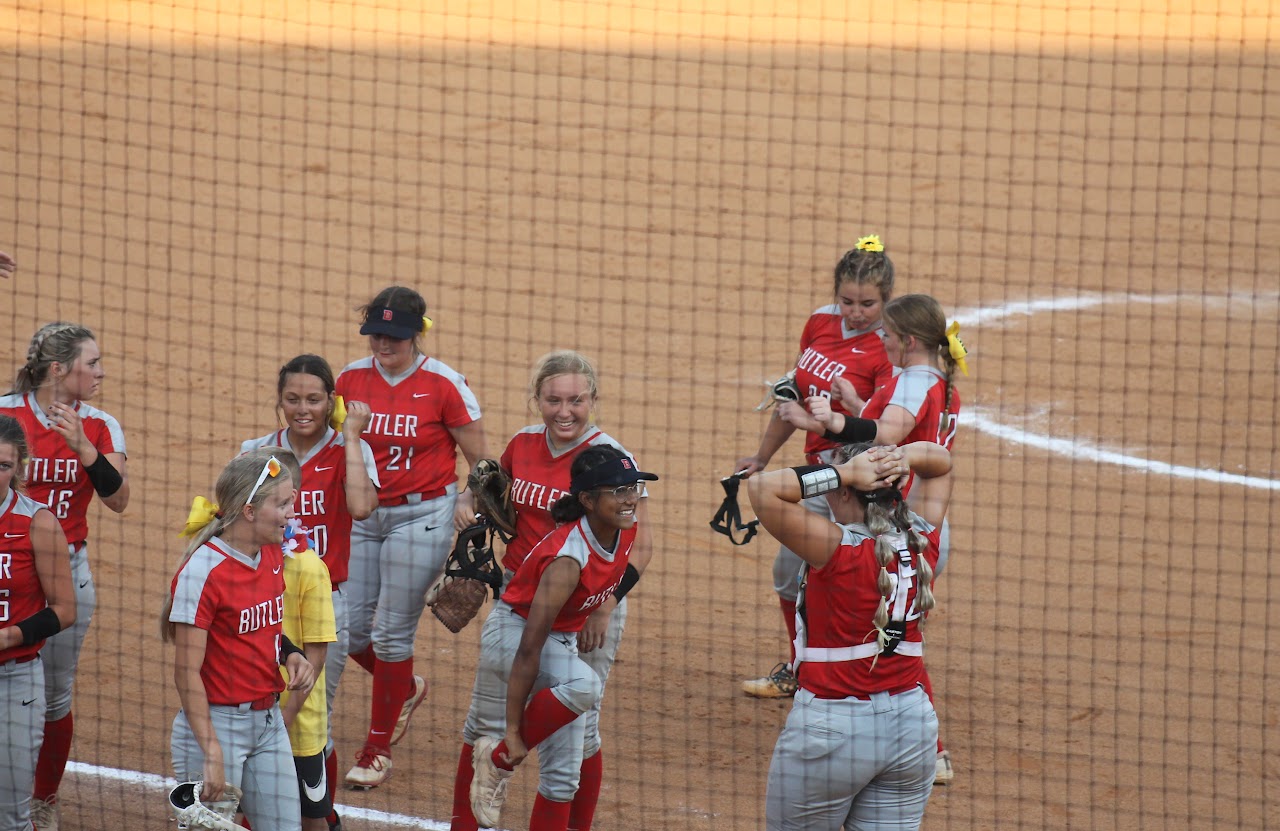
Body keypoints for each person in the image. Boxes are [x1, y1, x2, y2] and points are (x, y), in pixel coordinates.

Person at [450, 350, 653, 831]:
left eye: (576, 400)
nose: (565, 411)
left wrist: (606, 604)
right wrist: (465, 496)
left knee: (579, 733)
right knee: (483, 722)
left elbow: (640, 548)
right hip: (523, 601)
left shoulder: (612, 460)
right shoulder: (522, 444)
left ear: (593, 400)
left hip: (590, 607)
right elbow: (486, 482)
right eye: (553, 400)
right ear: (537, 400)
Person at [778, 292, 968, 785]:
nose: (878, 339)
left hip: (889, 527)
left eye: (885, 333)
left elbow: (888, 434)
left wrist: (834, 421)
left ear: (907, 341)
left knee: (892, 634)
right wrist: (839, 412)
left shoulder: (914, 380)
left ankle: (934, 749)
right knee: (894, 631)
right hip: (915, 522)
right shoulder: (941, 384)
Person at [746, 440, 953, 831]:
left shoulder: (834, 548)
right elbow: (940, 463)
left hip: (831, 733)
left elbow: (761, 488)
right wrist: (897, 459)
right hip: (912, 728)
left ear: (843, 490)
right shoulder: (921, 539)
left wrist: (847, 471)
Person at [335, 286, 490, 789]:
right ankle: (403, 687)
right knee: (348, 631)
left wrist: (469, 500)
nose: (384, 344)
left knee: (389, 633)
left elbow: (483, 465)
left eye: (394, 336)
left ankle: (376, 749)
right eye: (376, 334)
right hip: (361, 517)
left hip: (421, 515)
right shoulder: (349, 379)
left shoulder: (445, 385)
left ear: (417, 333)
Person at [734, 236, 896, 701]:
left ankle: (876, 678)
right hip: (818, 479)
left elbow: (886, 428)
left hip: (862, 486)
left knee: (863, 589)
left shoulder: (888, 349)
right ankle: (801, 670)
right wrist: (762, 457)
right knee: (789, 574)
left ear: (886, 300)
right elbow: (794, 394)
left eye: (868, 303)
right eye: (847, 300)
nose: (856, 312)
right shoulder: (820, 323)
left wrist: (853, 404)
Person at [239, 353, 379, 824]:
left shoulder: (348, 450)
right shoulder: (257, 451)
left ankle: (321, 814)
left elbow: (361, 507)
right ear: (279, 400)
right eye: (293, 398)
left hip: (322, 604)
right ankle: (259, 808)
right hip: (258, 599)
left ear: (331, 401)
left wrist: (353, 435)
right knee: (256, 703)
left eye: (315, 399)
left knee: (313, 716)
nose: (303, 408)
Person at [0, 323, 129, 830]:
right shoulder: (5, 414)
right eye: (91, 363)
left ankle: (42, 800)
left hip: (63, 572)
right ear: (59, 369)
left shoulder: (99, 425)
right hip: (3, 566)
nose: (100, 372)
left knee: (54, 693)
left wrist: (84, 448)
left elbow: (119, 500)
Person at [162, 447, 318, 831]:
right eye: (281, 505)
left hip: (268, 723)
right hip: (216, 724)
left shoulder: (271, 554)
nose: (291, 514)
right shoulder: (203, 571)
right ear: (249, 511)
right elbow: (186, 672)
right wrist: (211, 750)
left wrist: (291, 654)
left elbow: (261, 628)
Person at [0, 415, 76, 831]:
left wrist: (9, 636)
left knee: (10, 817)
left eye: (4, 466)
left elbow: (65, 608)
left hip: (15, 682)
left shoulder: (38, 523)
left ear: (18, 469)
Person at [271, 453, 339, 831]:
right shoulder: (235, 559)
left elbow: (316, 651)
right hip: (248, 710)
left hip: (296, 723)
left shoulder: (308, 567)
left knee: (310, 816)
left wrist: (287, 714)